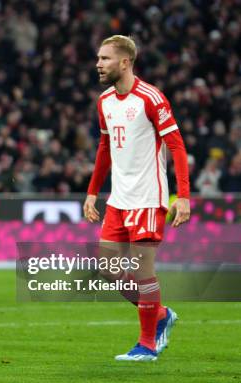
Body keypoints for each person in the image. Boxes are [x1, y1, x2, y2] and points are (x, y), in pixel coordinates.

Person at [84, 35, 191, 362]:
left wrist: (183, 196)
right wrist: (92, 192)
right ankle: (159, 314)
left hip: (148, 197)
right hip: (118, 199)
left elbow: (177, 146)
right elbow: (105, 148)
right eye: (99, 58)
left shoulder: (150, 98)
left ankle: (147, 345)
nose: (98, 64)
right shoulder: (105, 101)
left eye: (105, 59)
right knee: (108, 268)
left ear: (125, 62)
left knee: (143, 269)